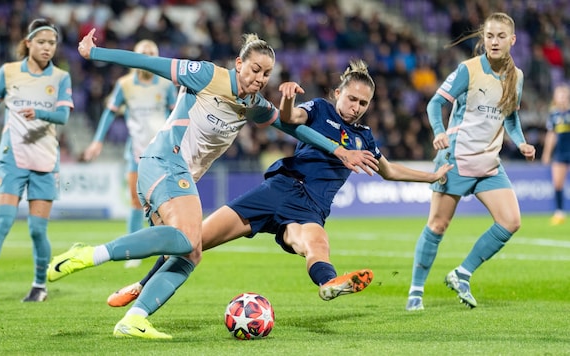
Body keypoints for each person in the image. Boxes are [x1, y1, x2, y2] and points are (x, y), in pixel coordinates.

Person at [47, 28, 376, 340]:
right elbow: (152, 64)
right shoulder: (207, 75)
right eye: (254, 70)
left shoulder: (253, 105)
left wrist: (338, 150)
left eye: (266, 74)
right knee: (189, 237)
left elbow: (294, 129)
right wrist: (95, 52)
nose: (259, 79)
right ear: (238, 64)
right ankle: (92, 253)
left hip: (178, 175)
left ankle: (134, 318)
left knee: (191, 252)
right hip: (164, 160)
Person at [106, 59, 453, 309]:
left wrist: (433, 176)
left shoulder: (365, 138)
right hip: (277, 189)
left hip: (310, 208)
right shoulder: (319, 108)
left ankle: (329, 283)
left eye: (364, 103)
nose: (356, 107)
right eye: (352, 99)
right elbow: (289, 119)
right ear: (338, 93)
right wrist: (287, 96)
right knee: (194, 240)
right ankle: (141, 285)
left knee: (316, 243)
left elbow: (389, 172)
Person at [405, 12, 536, 311]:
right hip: (456, 158)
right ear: (483, 39)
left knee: (511, 221)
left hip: (489, 163)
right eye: (489, 36)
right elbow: (435, 103)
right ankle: (416, 291)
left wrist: (522, 142)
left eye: (501, 36)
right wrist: (439, 132)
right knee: (437, 225)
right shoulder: (468, 70)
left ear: (512, 40)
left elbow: (510, 116)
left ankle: (461, 273)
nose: (494, 41)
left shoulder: (518, 77)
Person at [0, 18, 74, 305]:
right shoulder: (9, 72)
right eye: (41, 42)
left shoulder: (61, 78)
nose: (47, 48)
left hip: (45, 160)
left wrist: (38, 114)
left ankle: (39, 286)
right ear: (28, 43)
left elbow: (63, 117)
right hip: (12, 157)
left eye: (52, 43)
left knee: (38, 229)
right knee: (2, 222)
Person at [81, 39, 177, 268]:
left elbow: (175, 117)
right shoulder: (124, 84)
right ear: (135, 57)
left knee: (165, 203)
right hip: (135, 152)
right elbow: (109, 113)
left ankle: (164, 249)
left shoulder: (165, 85)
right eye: (143, 53)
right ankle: (133, 253)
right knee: (136, 201)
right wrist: (97, 141)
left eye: (152, 52)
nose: (147, 56)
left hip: (161, 153)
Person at [541, 84, 570, 226]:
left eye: (564, 95)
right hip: (560, 152)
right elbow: (551, 135)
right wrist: (547, 153)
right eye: (559, 95)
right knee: (557, 183)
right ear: (555, 98)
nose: (562, 98)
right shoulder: (554, 114)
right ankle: (559, 213)